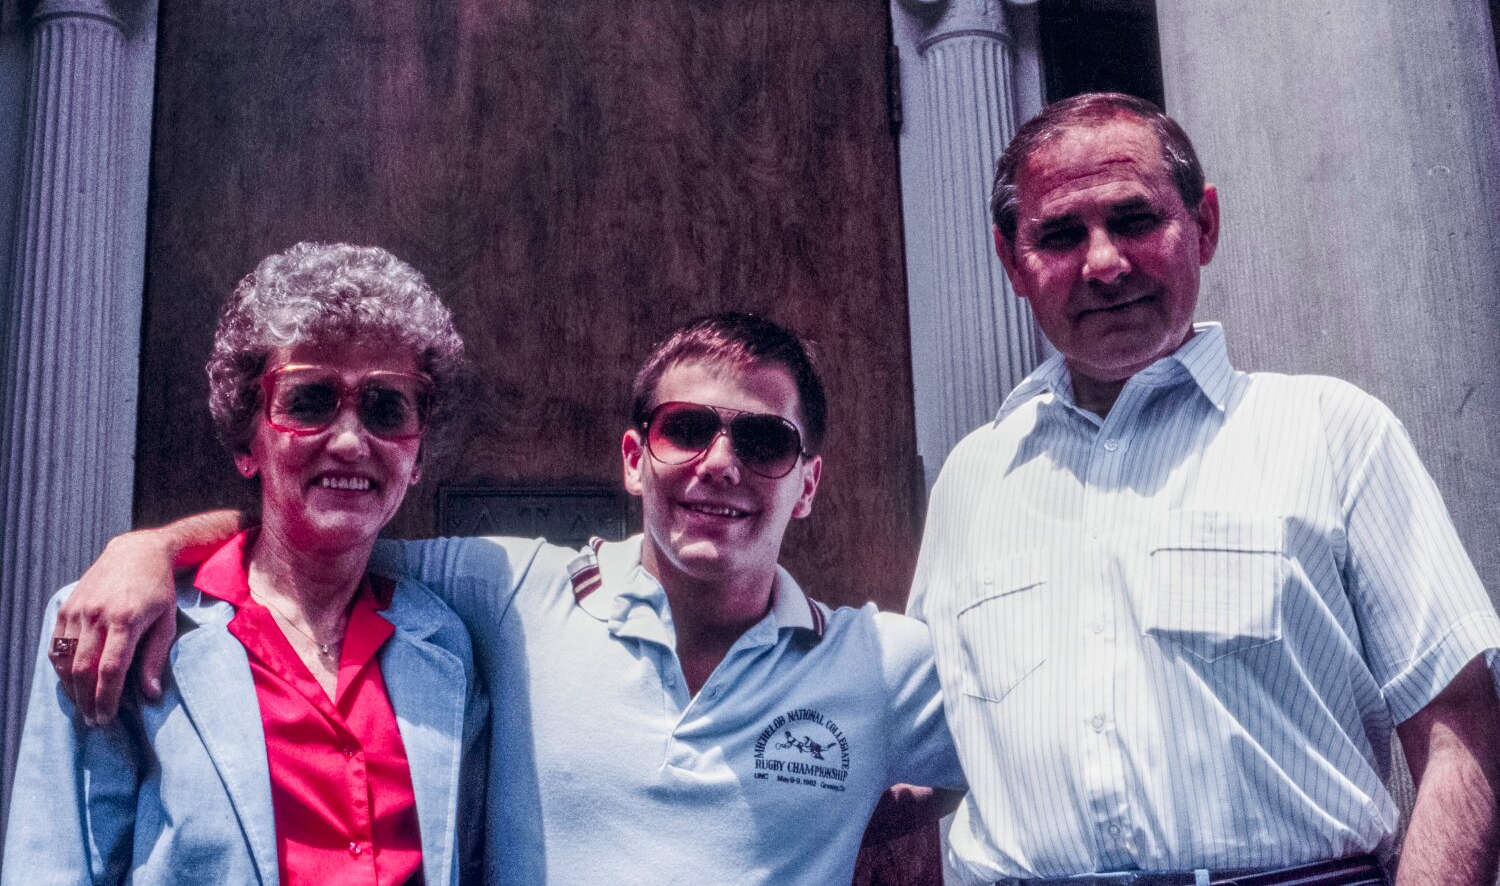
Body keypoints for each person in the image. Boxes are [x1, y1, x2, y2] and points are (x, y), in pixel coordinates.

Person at [47, 311, 964, 885]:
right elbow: (325, 531)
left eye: (763, 442)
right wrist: (149, 549)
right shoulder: (516, 590)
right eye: (686, 429)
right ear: (635, 458)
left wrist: (855, 804)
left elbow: (1018, 753)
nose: (720, 463)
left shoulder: (882, 665)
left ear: (807, 484)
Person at [907, 92, 1500, 885]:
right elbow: (931, 753)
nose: (1104, 262)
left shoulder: (1333, 434)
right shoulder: (973, 479)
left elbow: (1460, 729)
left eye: (1135, 219)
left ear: (1205, 225)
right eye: (1060, 234)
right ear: (1012, 260)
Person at [1, 243, 486, 885]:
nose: (350, 440)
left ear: (417, 453)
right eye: (309, 401)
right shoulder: (116, 624)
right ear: (245, 441)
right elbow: (53, 868)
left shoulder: (445, 642)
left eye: (386, 406)